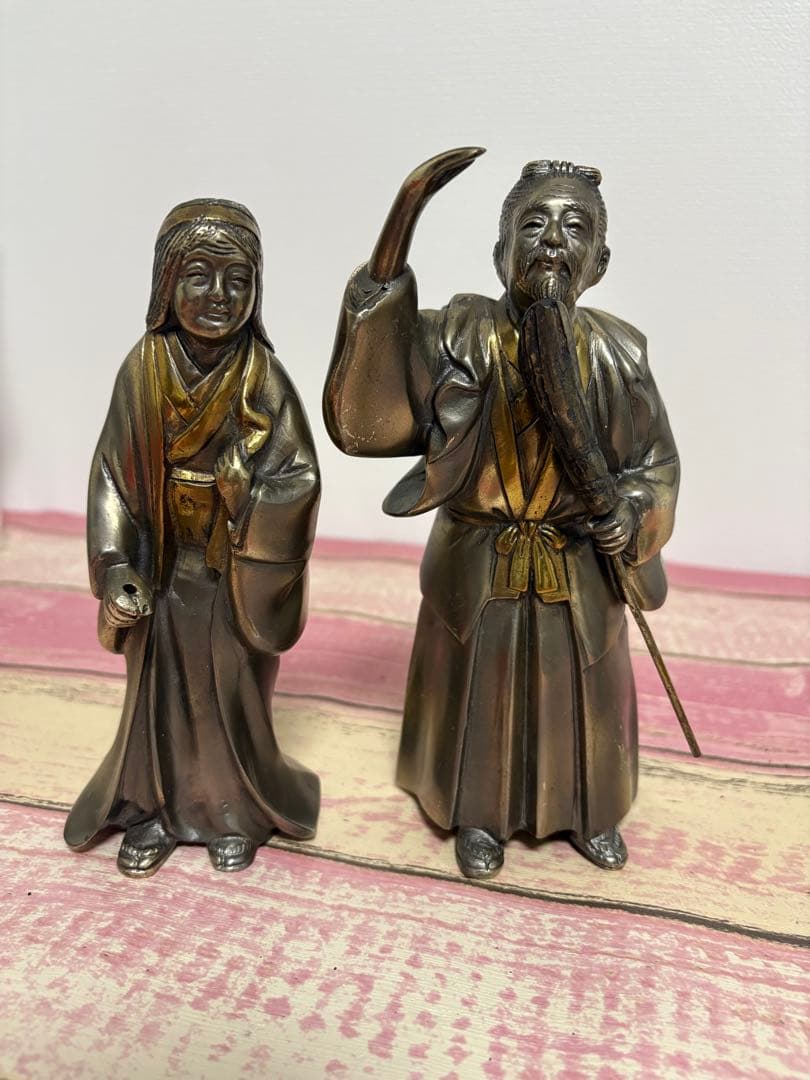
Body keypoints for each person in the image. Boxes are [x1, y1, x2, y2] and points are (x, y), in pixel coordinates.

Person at [324, 153, 679, 878]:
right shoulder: (457, 336)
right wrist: (396, 239)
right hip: (480, 557)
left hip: (576, 562)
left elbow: (656, 465)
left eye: (574, 227)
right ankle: (477, 815)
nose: (551, 239)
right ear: (499, 253)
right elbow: (370, 414)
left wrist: (635, 510)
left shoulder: (619, 354)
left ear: (599, 262)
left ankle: (587, 809)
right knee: (479, 691)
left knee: (579, 691)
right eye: (533, 223)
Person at [65, 199, 321, 877]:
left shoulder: (261, 375)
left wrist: (247, 496)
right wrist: (116, 564)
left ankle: (232, 815)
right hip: (163, 565)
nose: (219, 295)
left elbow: (300, 476)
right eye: (199, 276)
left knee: (231, 695)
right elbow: (112, 477)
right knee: (161, 699)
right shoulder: (144, 368)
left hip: (235, 571)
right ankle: (153, 811)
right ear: (166, 283)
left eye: (238, 280)